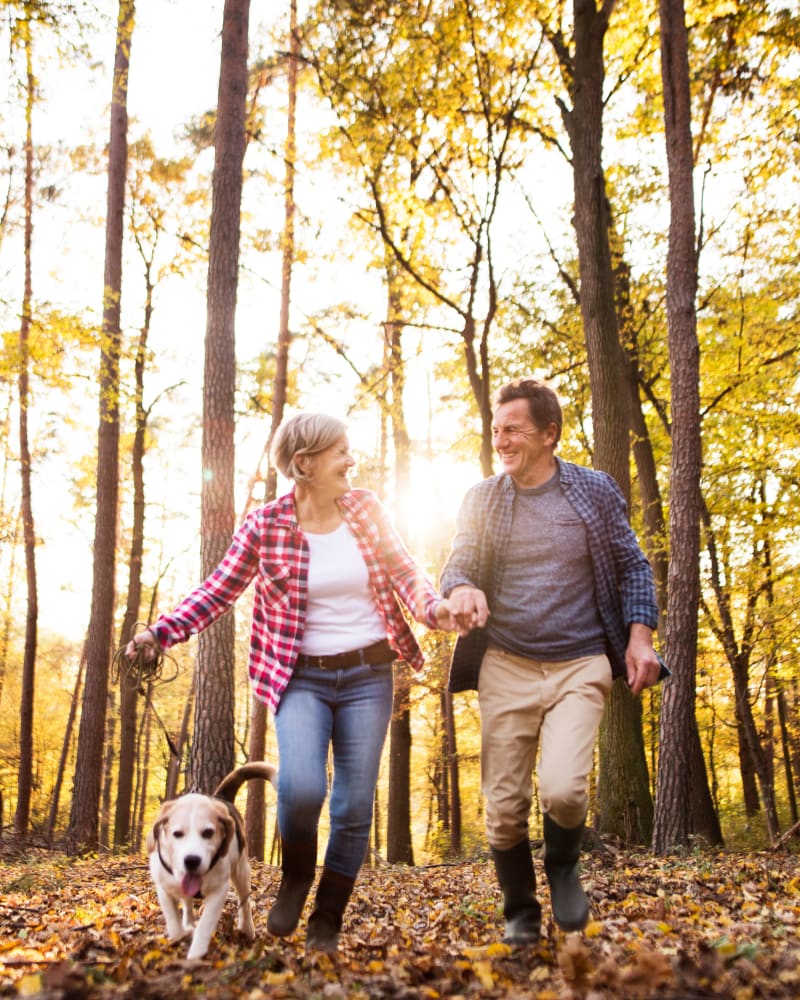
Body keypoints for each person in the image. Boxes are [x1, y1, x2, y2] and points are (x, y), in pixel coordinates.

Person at [127, 412, 456, 955]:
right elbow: (217, 590)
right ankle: (297, 875)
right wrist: (162, 633)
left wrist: (436, 609)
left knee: (353, 806)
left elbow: (406, 573)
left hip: (369, 673)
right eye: (340, 452)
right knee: (301, 788)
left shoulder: (366, 509)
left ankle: (328, 912)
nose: (352, 461)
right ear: (304, 463)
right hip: (299, 676)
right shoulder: (265, 525)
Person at [441, 377, 664, 944]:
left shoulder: (592, 491)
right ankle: (520, 907)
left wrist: (639, 640)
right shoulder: (483, 497)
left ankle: (563, 867)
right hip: (506, 663)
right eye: (497, 431)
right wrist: (463, 587)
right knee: (505, 804)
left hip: (580, 661)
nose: (503, 440)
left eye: (513, 430)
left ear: (549, 434)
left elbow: (634, 566)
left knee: (564, 789)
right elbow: (459, 560)